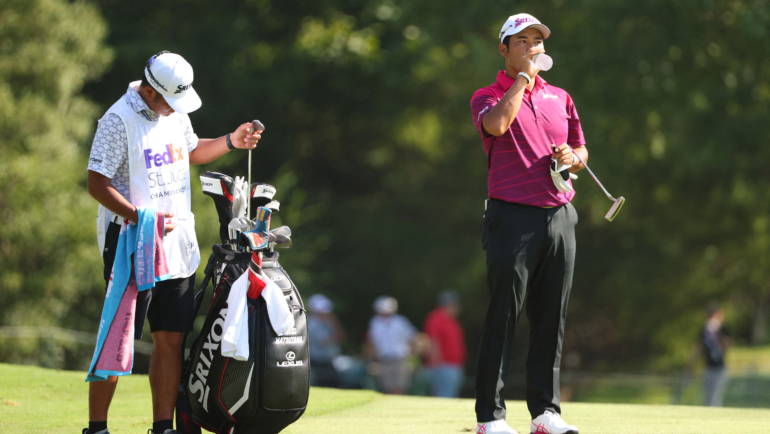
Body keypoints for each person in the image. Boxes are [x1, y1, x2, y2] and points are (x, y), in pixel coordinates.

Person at [84, 51, 262, 434]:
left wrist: (232, 141)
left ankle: (163, 427)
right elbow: (96, 183)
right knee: (119, 340)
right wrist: (140, 217)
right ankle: (96, 428)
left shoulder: (174, 109)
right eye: (169, 101)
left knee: (171, 338)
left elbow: (191, 151)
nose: (175, 108)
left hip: (176, 244)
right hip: (131, 242)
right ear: (149, 92)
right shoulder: (117, 120)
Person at [470, 13, 587, 434]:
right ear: (504, 49)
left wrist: (573, 158)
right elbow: (497, 124)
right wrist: (523, 80)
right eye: (523, 41)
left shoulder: (561, 96)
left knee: (551, 316)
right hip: (511, 214)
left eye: (537, 41)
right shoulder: (487, 94)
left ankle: (545, 413)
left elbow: (580, 148)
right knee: (504, 315)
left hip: (559, 214)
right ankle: (490, 418)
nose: (533, 47)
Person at [365, 296, 417, 394]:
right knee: (387, 387)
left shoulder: (401, 322)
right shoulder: (375, 322)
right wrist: (370, 358)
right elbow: (372, 342)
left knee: (400, 387)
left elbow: (412, 339)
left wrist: (413, 358)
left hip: (400, 358)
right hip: (384, 359)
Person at [423, 289, 467, 398]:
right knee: (444, 397)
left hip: (453, 365)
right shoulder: (436, 318)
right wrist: (436, 365)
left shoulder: (451, 320)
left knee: (449, 396)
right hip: (443, 366)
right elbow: (433, 341)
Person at [307, 294, 346, 388]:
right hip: (318, 362)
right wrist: (334, 324)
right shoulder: (312, 323)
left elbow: (342, 337)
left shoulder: (327, 322)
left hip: (328, 360)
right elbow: (326, 342)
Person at [699, 303, 731, 406]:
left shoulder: (723, 330)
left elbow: (727, 346)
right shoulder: (705, 330)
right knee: (708, 399)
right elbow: (698, 347)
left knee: (715, 399)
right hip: (708, 368)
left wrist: (718, 332)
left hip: (720, 369)